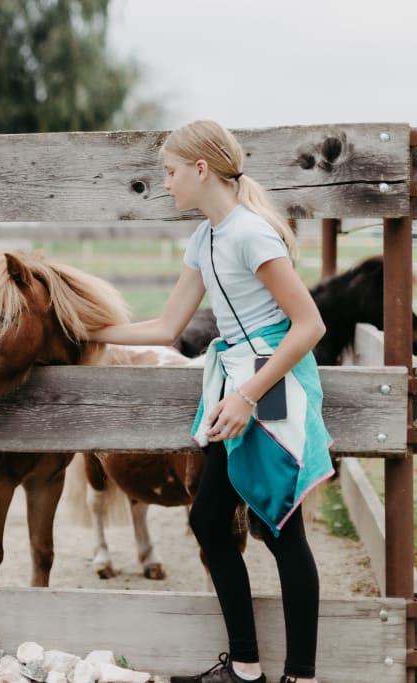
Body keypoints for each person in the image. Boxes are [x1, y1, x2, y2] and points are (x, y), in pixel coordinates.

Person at [90, 120, 334, 683]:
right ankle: (245, 669)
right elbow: (167, 326)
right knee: (208, 519)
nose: (166, 183)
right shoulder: (205, 238)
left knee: (281, 529)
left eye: (171, 172)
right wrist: (89, 332)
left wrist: (247, 396)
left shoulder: (251, 234)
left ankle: (300, 676)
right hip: (236, 385)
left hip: (271, 387)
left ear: (201, 169)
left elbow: (309, 325)